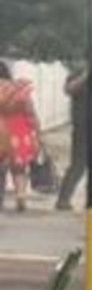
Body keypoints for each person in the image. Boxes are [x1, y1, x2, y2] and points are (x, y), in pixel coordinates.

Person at [1, 62, 36, 210]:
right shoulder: (18, 89)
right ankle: (20, 194)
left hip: (2, 128)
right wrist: (36, 131)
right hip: (20, 130)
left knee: (1, 166)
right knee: (19, 167)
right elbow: (30, 110)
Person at [55, 63, 88, 211]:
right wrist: (87, 75)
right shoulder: (80, 70)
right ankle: (63, 199)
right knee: (78, 164)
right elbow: (69, 89)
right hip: (83, 126)